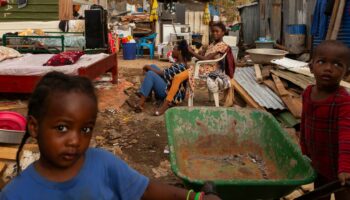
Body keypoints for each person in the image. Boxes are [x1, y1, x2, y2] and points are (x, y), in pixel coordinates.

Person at [0, 72, 220, 200]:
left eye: (85, 129)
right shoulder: (15, 194)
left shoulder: (102, 164)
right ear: (34, 127)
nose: (75, 140)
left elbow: (146, 189)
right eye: (61, 128)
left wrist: (196, 197)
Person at [300, 40, 350, 200]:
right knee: (320, 195)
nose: (328, 68)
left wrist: (345, 168)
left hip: (340, 167)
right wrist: (304, 151)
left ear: (347, 73)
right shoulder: (308, 93)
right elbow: (305, 123)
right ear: (311, 66)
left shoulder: (343, 101)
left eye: (337, 64)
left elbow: (346, 136)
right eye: (322, 62)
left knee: (343, 195)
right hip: (319, 162)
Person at [155, 22, 233, 115]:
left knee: (177, 78)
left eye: (217, 31)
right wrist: (200, 52)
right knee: (178, 76)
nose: (215, 33)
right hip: (202, 67)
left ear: (223, 32)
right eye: (213, 31)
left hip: (207, 70)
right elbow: (205, 56)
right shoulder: (213, 44)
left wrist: (191, 52)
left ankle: (165, 105)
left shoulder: (222, 45)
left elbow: (207, 59)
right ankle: (172, 98)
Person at [133, 40, 192, 114]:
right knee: (153, 66)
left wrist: (146, 67)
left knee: (151, 73)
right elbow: (166, 75)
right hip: (169, 86)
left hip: (169, 94)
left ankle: (140, 103)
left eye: (174, 49)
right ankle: (147, 95)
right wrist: (149, 67)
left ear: (179, 52)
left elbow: (162, 73)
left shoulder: (179, 66)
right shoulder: (181, 63)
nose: (172, 51)